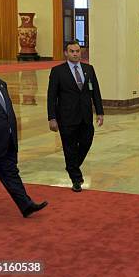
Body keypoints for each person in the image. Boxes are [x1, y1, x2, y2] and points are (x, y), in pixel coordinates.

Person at [0, 52, 48, 221]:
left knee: (11, 174)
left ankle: (26, 205)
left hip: (5, 141)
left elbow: (6, 113)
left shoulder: (1, 84)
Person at [47, 40, 104, 192]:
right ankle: (76, 179)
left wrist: (100, 111)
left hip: (85, 116)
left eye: (77, 51)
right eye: (72, 51)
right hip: (66, 117)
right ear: (66, 53)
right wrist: (52, 118)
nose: (75, 54)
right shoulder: (58, 71)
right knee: (69, 148)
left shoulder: (88, 69)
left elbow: (95, 91)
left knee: (86, 142)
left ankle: (71, 166)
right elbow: (51, 96)